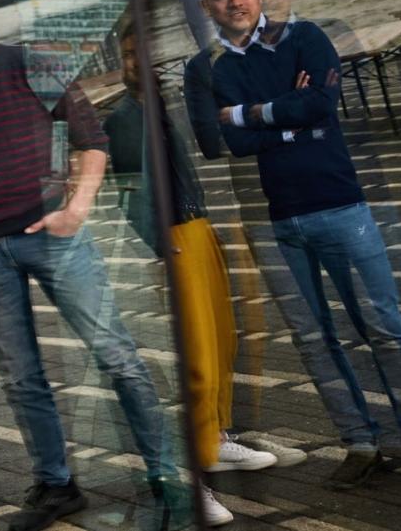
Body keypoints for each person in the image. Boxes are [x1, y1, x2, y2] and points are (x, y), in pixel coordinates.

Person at [0, 0, 214, 531]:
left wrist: (76, 210)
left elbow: (92, 139)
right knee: (21, 376)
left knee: (117, 357)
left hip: (56, 238)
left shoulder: (28, 63)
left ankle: (169, 475)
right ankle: (56, 483)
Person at [197, 0, 401, 493]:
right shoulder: (211, 68)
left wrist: (248, 114)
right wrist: (286, 115)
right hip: (281, 220)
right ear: (208, 7)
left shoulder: (306, 38)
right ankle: (362, 445)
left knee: (389, 329)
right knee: (316, 340)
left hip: (343, 207)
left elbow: (321, 105)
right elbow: (229, 141)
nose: (235, 2)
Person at [102, 26, 278, 509]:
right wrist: (162, 246)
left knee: (222, 340)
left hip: (198, 228)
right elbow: (129, 192)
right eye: (129, 56)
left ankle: (214, 440)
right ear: (121, 62)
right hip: (176, 239)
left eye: (145, 54)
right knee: (198, 353)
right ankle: (197, 461)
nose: (140, 63)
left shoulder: (157, 106)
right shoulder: (123, 118)